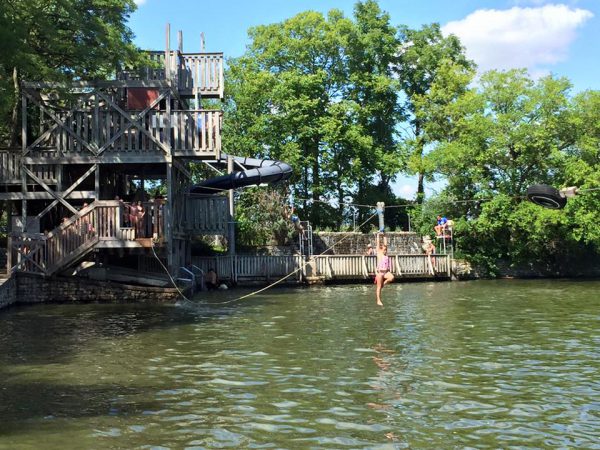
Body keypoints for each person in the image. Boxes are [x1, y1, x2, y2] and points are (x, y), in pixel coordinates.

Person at [374, 233, 394, 306]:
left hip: (386, 272)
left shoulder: (385, 254)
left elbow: (385, 244)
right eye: (384, 250)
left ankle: (383, 284)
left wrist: (385, 235)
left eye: (386, 250)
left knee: (392, 277)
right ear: (381, 249)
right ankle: (378, 300)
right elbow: (378, 244)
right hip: (380, 273)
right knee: (379, 287)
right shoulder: (379, 253)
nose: (385, 251)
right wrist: (378, 235)